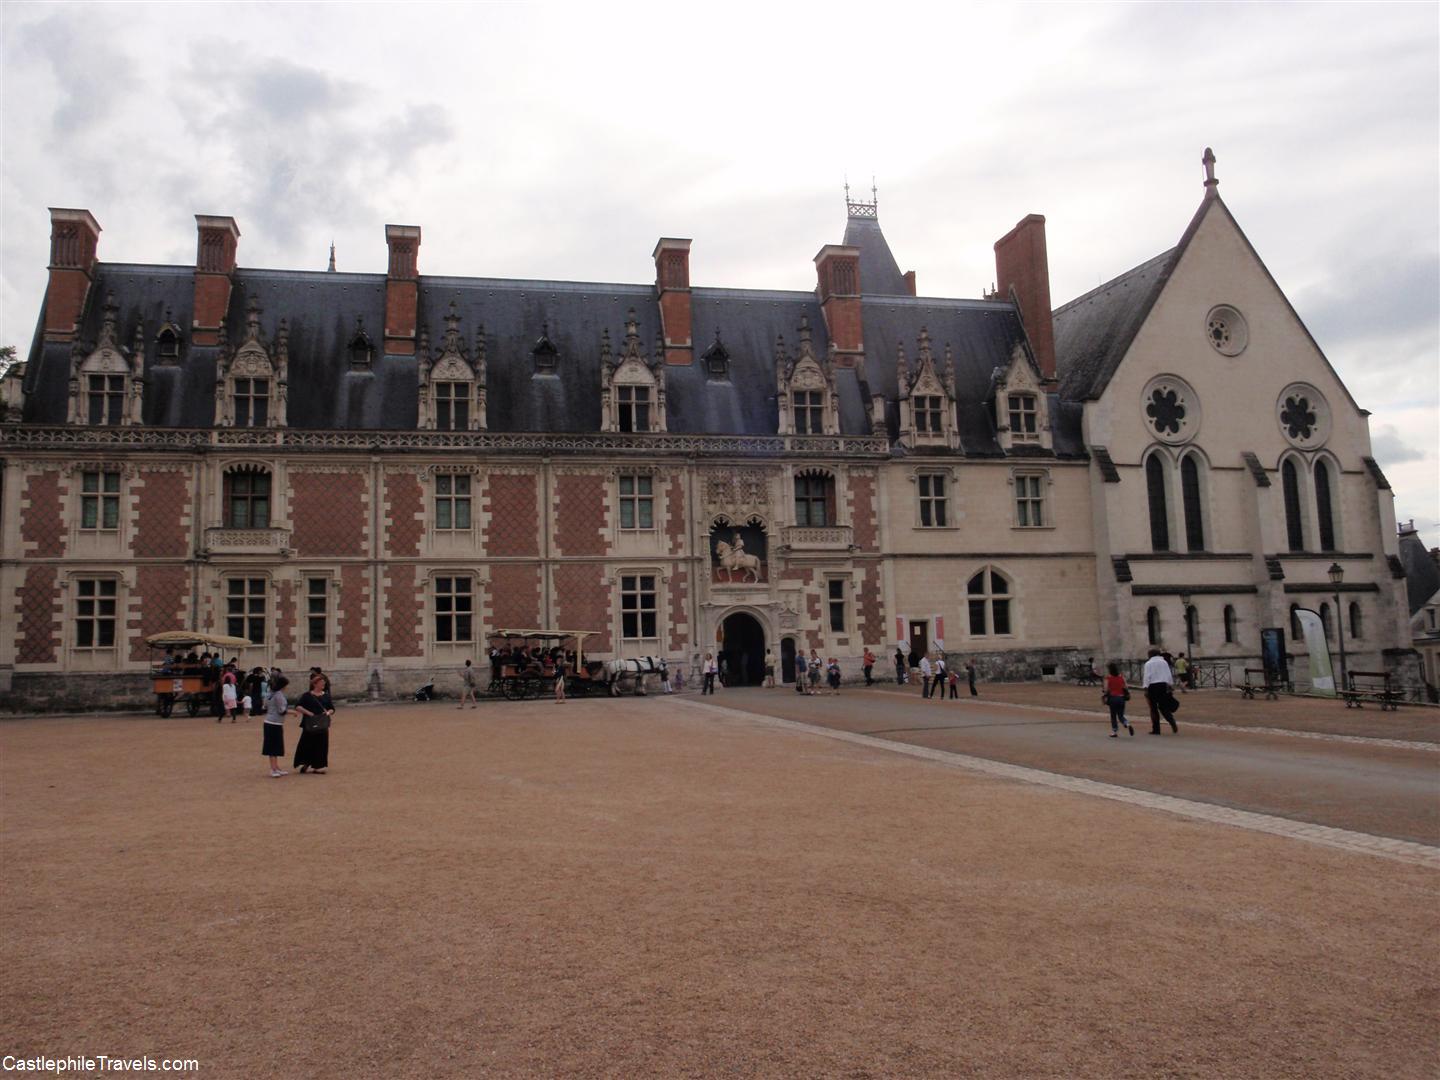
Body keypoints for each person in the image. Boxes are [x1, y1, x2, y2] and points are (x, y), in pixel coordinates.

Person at [293, 672, 333, 773]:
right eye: (321, 683)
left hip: (322, 723)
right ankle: (306, 763)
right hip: (309, 723)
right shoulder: (307, 695)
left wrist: (328, 712)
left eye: (324, 683)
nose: (323, 685)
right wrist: (308, 713)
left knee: (321, 745)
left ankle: (318, 766)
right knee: (307, 744)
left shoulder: (326, 696)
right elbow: (298, 706)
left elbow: (332, 708)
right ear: (315, 684)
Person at [1143, 647, 1179, 734]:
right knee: (1163, 707)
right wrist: (1170, 685)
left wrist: (1145, 688)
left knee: (1153, 708)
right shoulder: (1164, 662)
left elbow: (1147, 677)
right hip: (1163, 685)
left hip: (1152, 686)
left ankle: (1156, 729)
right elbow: (1168, 674)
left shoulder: (1148, 663)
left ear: (1150, 655)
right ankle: (1171, 721)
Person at [262, 675, 290, 778]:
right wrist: (292, 712)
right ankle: (273, 769)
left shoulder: (269, 693)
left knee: (274, 745)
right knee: (274, 746)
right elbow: (282, 710)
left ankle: (276, 767)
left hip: (269, 721)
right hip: (275, 722)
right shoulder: (278, 695)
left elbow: (264, 705)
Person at [1104, 662, 1134, 737]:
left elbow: (1106, 689)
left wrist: (1105, 693)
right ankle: (1127, 724)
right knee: (1121, 715)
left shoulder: (1108, 678)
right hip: (1121, 698)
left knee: (1113, 715)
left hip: (1113, 698)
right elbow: (1126, 687)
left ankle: (1114, 731)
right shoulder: (1121, 677)